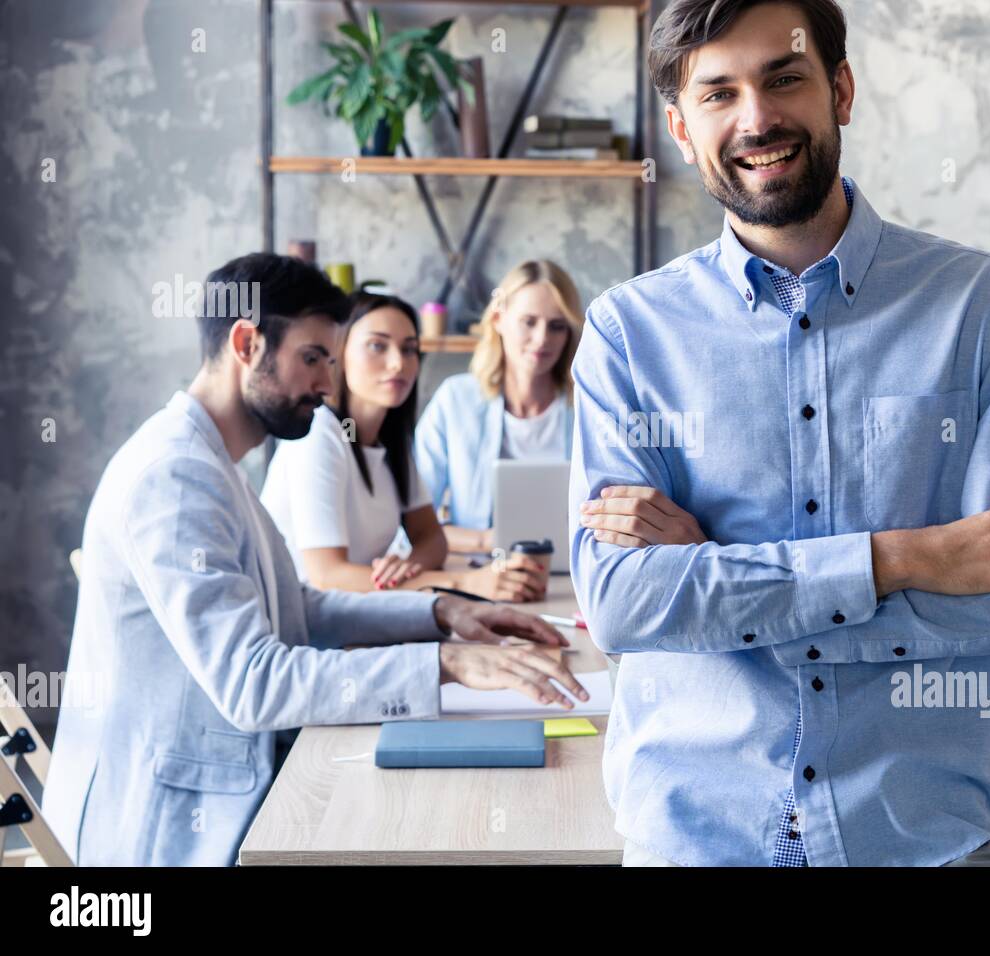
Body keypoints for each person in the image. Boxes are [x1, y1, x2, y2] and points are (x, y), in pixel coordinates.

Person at [569, 0, 990, 867]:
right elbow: (623, 606)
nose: (757, 118)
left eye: (784, 78)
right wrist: (907, 559)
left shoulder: (984, 307)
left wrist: (713, 576)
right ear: (681, 131)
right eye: (718, 93)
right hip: (697, 836)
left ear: (840, 89)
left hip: (921, 838)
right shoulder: (629, 334)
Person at [42, 253, 587, 867]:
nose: (329, 386)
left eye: (330, 361)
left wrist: (442, 613)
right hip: (163, 833)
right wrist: (448, 663)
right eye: (312, 359)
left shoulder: (216, 462)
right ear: (247, 343)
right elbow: (255, 683)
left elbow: (298, 606)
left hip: (232, 790)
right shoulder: (175, 478)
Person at [261, 291, 547, 602]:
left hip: (361, 614)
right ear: (339, 353)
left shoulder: (388, 440)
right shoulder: (319, 435)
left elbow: (433, 540)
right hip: (308, 628)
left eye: (409, 349)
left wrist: (408, 569)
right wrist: (463, 582)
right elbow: (328, 576)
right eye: (377, 346)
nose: (398, 363)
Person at [414, 260, 584, 559]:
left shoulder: (586, 408)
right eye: (529, 321)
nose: (543, 338)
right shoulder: (455, 401)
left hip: (570, 576)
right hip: (479, 574)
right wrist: (489, 540)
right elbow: (414, 525)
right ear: (497, 319)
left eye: (557, 326)